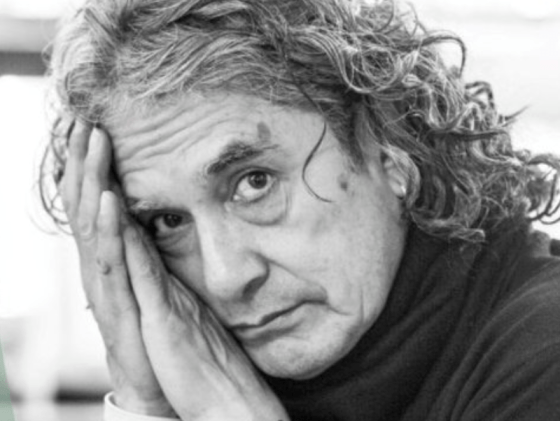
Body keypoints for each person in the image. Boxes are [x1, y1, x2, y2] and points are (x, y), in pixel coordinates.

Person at [39, 0, 560, 420]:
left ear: (388, 146)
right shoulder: (216, 371)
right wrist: (145, 400)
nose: (225, 278)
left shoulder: (543, 351)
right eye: (168, 222)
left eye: (254, 183)